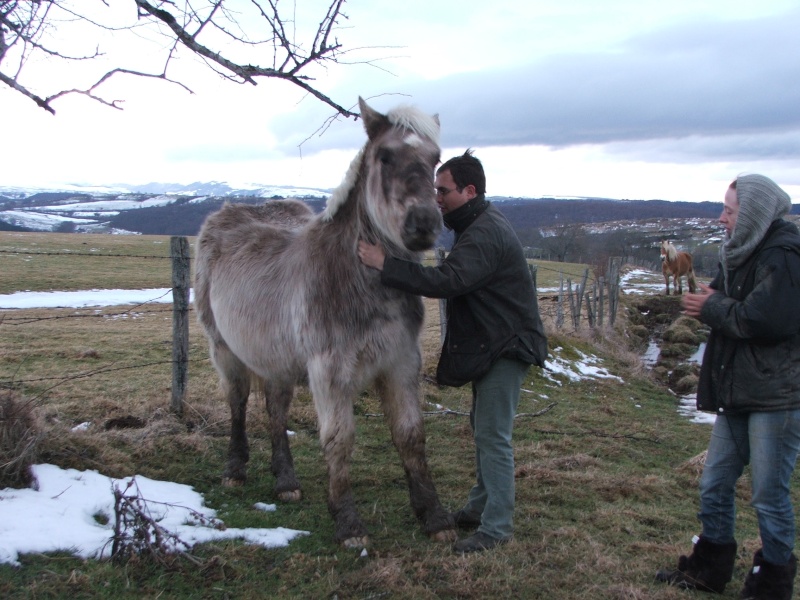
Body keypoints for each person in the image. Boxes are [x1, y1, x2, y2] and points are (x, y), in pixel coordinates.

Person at [357, 150, 547, 553]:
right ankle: (479, 508)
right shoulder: (477, 223)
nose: (436, 198)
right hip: (496, 343)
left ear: (470, 190)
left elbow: (448, 280)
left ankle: (496, 529)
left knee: (493, 437)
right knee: (484, 430)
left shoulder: (483, 233)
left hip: (506, 347)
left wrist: (385, 263)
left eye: (443, 191)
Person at [656, 174, 800, 599]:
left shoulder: (785, 255)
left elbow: (769, 319)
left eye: (730, 210)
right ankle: (710, 566)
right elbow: (726, 296)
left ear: (751, 214)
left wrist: (712, 305)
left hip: (776, 395)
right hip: (739, 390)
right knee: (714, 481)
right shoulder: (742, 250)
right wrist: (714, 297)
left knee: (768, 494)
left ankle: (773, 582)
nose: (721, 218)